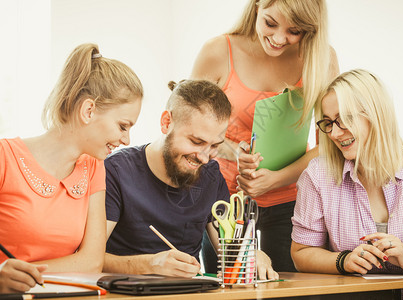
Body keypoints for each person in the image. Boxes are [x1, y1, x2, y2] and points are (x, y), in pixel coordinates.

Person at [191, 0, 339, 272]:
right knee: (227, 286)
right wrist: (235, 152)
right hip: (225, 198)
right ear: (257, 5)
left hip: (293, 199)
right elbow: (192, 129)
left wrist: (274, 180)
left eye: (295, 30)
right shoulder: (217, 52)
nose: (279, 38)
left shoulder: (321, 58)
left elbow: (330, 145)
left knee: (291, 286)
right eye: (270, 23)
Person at [291, 69, 403, 299]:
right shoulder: (317, 176)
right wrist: (343, 260)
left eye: (343, 119)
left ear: (376, 114)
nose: (335, 133)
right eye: (328, 122)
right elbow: (301, 252)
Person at [0, 43, 143, 293]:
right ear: (88, 110)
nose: (127, 140)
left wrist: (25, 272)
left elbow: (91, 262)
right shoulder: (4, 157)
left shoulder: (94, 168)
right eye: (122, 126)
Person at [103, 79, 278, 280]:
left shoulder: (211, 176)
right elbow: (91, 260)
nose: (204, 157)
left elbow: (231, 253)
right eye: (196, 142)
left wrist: (253, 256)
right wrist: (150, 264)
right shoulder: (116, 171)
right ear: (166, 123)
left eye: (215, 146)